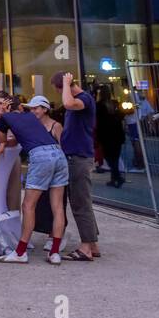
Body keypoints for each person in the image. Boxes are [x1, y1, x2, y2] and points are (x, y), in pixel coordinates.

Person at [0, 93, 67, 265]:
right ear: (21, 107)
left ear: (6, 107)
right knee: (57, 206)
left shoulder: (6, 118)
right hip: (58, 154)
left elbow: (1, 139)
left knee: (28, 206)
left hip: (40, 156)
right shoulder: (31, 117)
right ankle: (54, 252)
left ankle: (20, 252)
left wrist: (1, 117)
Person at [55, 71, 102, 261]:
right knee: (83, 202)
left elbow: (68, 103)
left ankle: (85, 249)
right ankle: (92, 244)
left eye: (59, 90)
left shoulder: (84, 99)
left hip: (79, 158)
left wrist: (66, 84)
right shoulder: (82, 101)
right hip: (76, 156)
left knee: (80, 203)